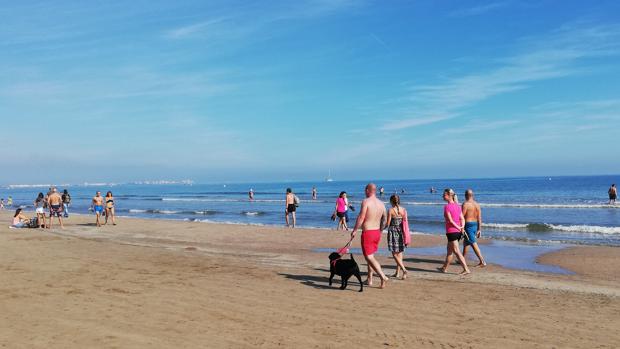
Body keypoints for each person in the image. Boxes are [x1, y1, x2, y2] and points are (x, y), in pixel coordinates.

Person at [350, 183, 389, 289]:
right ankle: (369, 279)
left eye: (365, 190)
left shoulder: (366, 201)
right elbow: (385, 219)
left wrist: (354, 230)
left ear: (367, 190)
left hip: (368, 232)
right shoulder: (381, 203)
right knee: (371, 256)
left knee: (369, 257)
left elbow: (361, 217)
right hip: (377, 232)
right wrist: (380, 230)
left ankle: (382, 276)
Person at [439, 188, 471, 275]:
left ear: (450, 196)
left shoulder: (447, 207)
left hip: (452, 232)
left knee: (456, 251)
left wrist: (458, 227)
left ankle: (466, 269)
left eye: (444, 195)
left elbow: (451, 221)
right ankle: (444, 268)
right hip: (457, 232)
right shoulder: (457, 206)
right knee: (449, 250)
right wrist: (461, 227)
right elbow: (462, 219)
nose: (443, 196)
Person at [385, 194, 408, 280]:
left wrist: (381, 227)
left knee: (394, 253)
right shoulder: (404, 210)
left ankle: (404, 270)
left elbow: (388, 223)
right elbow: (405, 222)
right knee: (400, 253)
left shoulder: (390, 210)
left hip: (393, 231)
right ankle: (397, 272)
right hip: (401, 231)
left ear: (391, 201)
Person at [461, 189, 486, 267]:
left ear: (466, 195)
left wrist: (461, 227)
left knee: (473, 243)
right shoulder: (477, 204)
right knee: (466, 243)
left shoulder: (465, 204)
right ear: (472, 195)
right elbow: (480, 218)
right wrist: (479, 229)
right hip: (475, 225)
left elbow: (461, 217)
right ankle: (462, 259)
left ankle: (482, 261)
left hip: (468, 225)